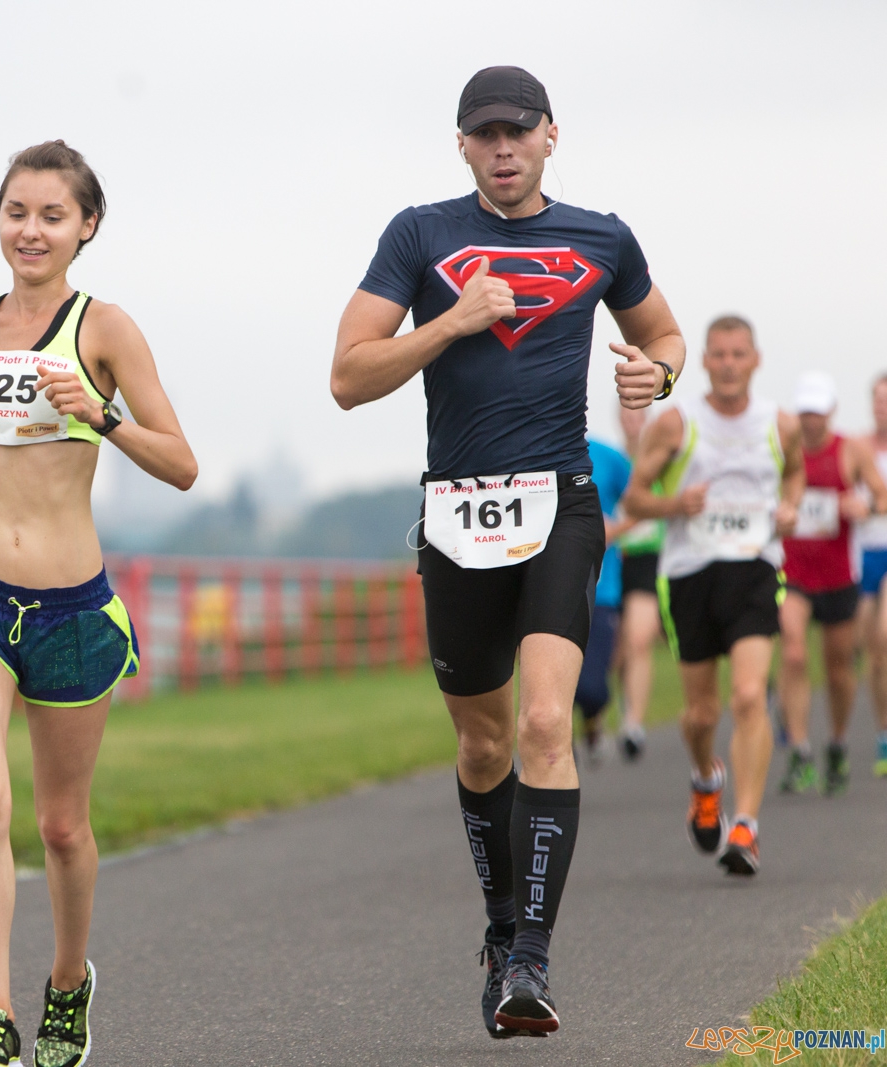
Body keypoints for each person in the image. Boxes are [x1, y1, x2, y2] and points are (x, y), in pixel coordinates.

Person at [330, 66, 684, 1039]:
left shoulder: (600, 236)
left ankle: (528, 956)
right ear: (461, 145)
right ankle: (497, 927)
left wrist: (656, 365)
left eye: (516, 131)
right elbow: (347, 377)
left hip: (560, 502)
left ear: (549, 135)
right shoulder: (419, 234)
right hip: (455, 512)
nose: (501, 147)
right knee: (481, 739)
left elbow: (661, 332)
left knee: (540, 724)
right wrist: (449, 321)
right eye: (483, 133)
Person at [0, 140, 196, 1067]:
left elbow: (181, 463)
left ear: (86, 227)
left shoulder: (105, 330)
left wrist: (99, 411)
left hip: (72, 607)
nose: (31, 230)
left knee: (61, 826)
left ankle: (67, 983)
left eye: (51, 216)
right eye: (16, 212)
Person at [624, 315, 804, 878]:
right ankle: (707, 777)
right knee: (701, 711)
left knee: (750, 695)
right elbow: (633, 499)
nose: (728, 364)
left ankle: (745, 825)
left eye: (738, 354)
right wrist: (674, 505)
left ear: (755, 360)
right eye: (718, 355)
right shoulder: (678, 423)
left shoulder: (779, 424)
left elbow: (794, 474)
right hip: (689, 573)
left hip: (753, 568)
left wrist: (791, 507)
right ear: (703, 361)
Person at [777, 373, 887, 795]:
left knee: (839, 669)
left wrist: (865, 505)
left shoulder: (850, 451)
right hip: (795, 573)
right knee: (793, 650)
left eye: (817, 413)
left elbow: (880, 496)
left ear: (830, 412)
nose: (810, 421)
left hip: (839, 574)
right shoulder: (784, 451)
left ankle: (838, 742)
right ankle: (801, 749)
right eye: (804, 412)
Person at [575, 434, 631, 763]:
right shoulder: (532, 450)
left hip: (601, 588)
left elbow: (645, 501)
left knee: (593, 690)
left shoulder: (609, 457)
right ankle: (556, 756)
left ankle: (592, 720)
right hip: (544, 587)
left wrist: (615, 529)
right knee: (549, 691)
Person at [615, 404, 664, 760]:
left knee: (640, 638)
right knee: (619, 650)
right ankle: (624, 706)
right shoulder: (612, 462)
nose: (632, 421)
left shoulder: (662, 460)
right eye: (626, 415)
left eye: (638, 415)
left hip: (653, 558)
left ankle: (634, 722)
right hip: (618, 561)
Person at [858, 374, 887, 778]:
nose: (882, 407)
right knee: (872, 652)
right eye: (878, 401)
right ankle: (883, 730)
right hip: (862, 555)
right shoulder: (857, 448)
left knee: (884, 635)